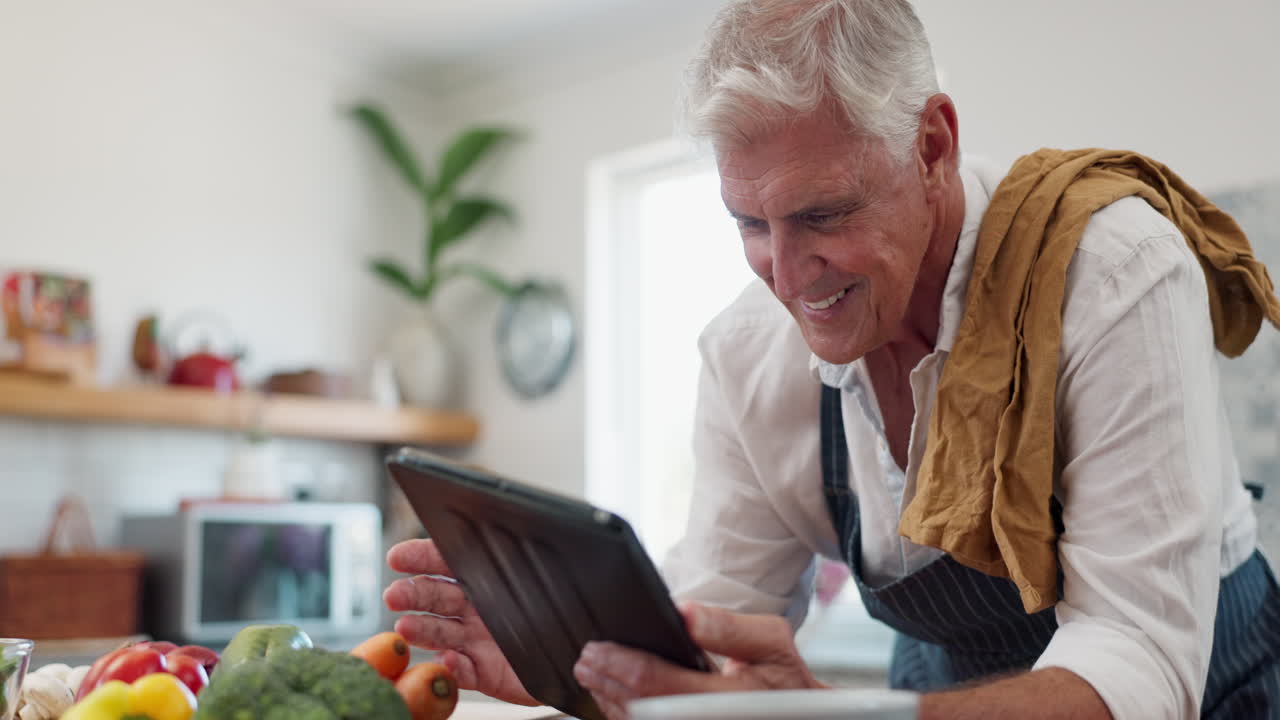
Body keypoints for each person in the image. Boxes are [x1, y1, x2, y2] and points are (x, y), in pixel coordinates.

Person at [384, 1, 1280, 718]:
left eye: (823, 215)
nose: (787, 273)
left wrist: (841, 717)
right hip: (939, 692)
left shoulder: (1109, 271)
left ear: (932, 147)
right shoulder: (744, 359)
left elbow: (1142, 668)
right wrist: (572, 665)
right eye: (748, 223)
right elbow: (716, 641)